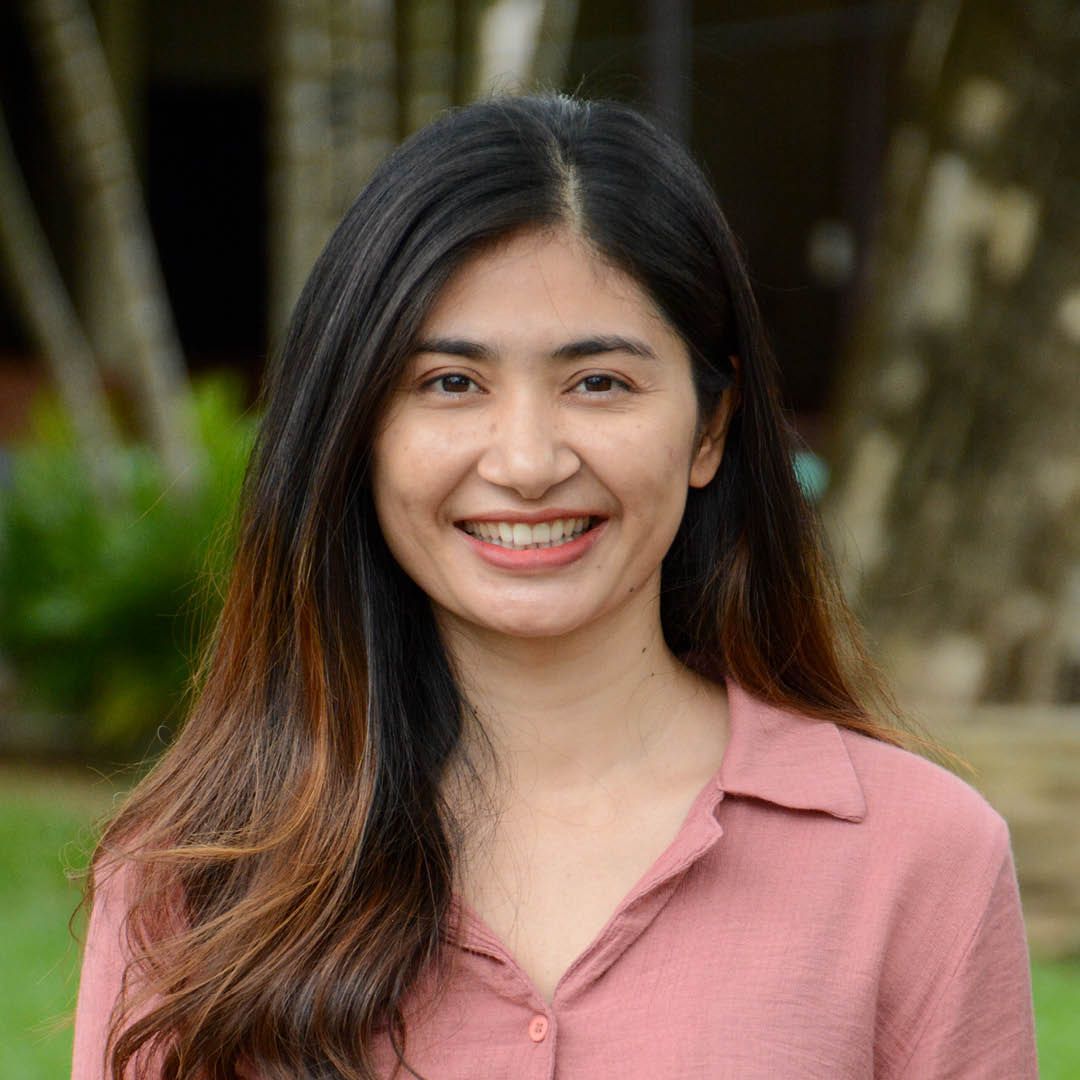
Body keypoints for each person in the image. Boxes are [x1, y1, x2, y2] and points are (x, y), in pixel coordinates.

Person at [71, 93, 1038, 1079]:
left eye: (599, 383)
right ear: (357, 429)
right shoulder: (189, 875)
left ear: (710, 428)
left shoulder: (919, 856)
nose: (528, 461)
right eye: (450, 383)